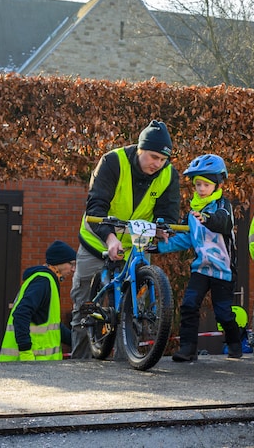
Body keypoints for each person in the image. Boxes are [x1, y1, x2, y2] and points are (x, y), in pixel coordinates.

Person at [70, 120, 181, 358]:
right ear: (140, 149)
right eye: (153, 157)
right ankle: (78, 365)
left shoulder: (168, 174)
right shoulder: (112, 162)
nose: (157, 164)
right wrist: (110, 239)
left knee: (132, 310)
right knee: (83, 309)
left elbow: (168, 213)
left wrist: (164, 230)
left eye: (162, 160)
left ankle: (127, 363)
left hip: (135, 248)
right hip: (97, 241)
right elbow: (95, 208)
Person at [157, 154, 241, 361]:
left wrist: (207, 218)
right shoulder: (193, 211)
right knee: (188, 305)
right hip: (201, 268)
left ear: (217, 185)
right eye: (198, 185)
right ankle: (188, 349)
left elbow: (223, 223)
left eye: (206, 185)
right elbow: (188, 239)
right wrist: (159, 246)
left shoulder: (223, 206)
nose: (201, 189)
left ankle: (235, 342)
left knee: (223, 313)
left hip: (223, 269)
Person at [0, 240, 77, 361]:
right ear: (58, 263)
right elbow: (21, 314)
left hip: (37, 365)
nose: (73, 269)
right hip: (26, 363)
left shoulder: (47, 281)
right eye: (71, 264)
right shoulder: (43, 282)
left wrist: (77, 342)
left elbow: (55, 327)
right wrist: (25, 351)